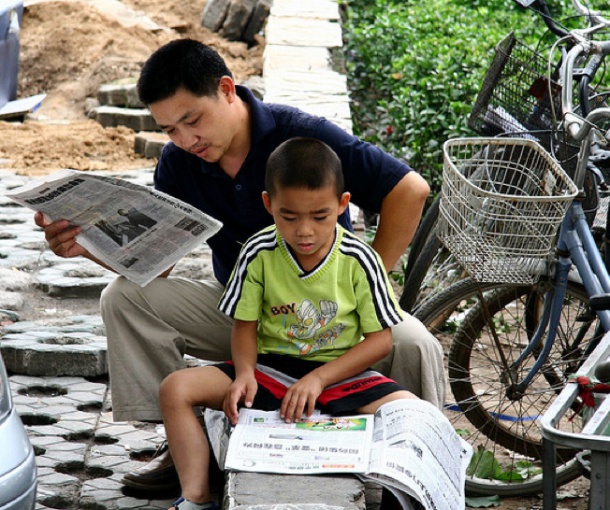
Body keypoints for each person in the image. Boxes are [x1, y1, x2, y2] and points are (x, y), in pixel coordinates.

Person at [33, 38, 445, 491]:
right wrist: (87, 247)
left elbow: (409, 190)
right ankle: (185, 447)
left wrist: (369, 284)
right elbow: (158, 267)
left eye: (193, 120)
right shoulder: (178, 164)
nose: (186, 140)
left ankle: (419, 469)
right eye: (170, 129)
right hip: (243, 316)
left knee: (415, 343)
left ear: (227, 89)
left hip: (334, 317)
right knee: (125, 297)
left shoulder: (303, 137)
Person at [159, 137, 417, 510]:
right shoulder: (257, 252)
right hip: (269, 370)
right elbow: (245, 325)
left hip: (341, 377)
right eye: (289, 216)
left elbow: (379, 342)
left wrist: (318, 378)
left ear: (343, 205)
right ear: (268, 205)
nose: (305, 231)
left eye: (320, 216)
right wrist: (245, 372)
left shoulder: (360, 258)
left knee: (409, 414)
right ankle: (196, 497)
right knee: (175, 389)